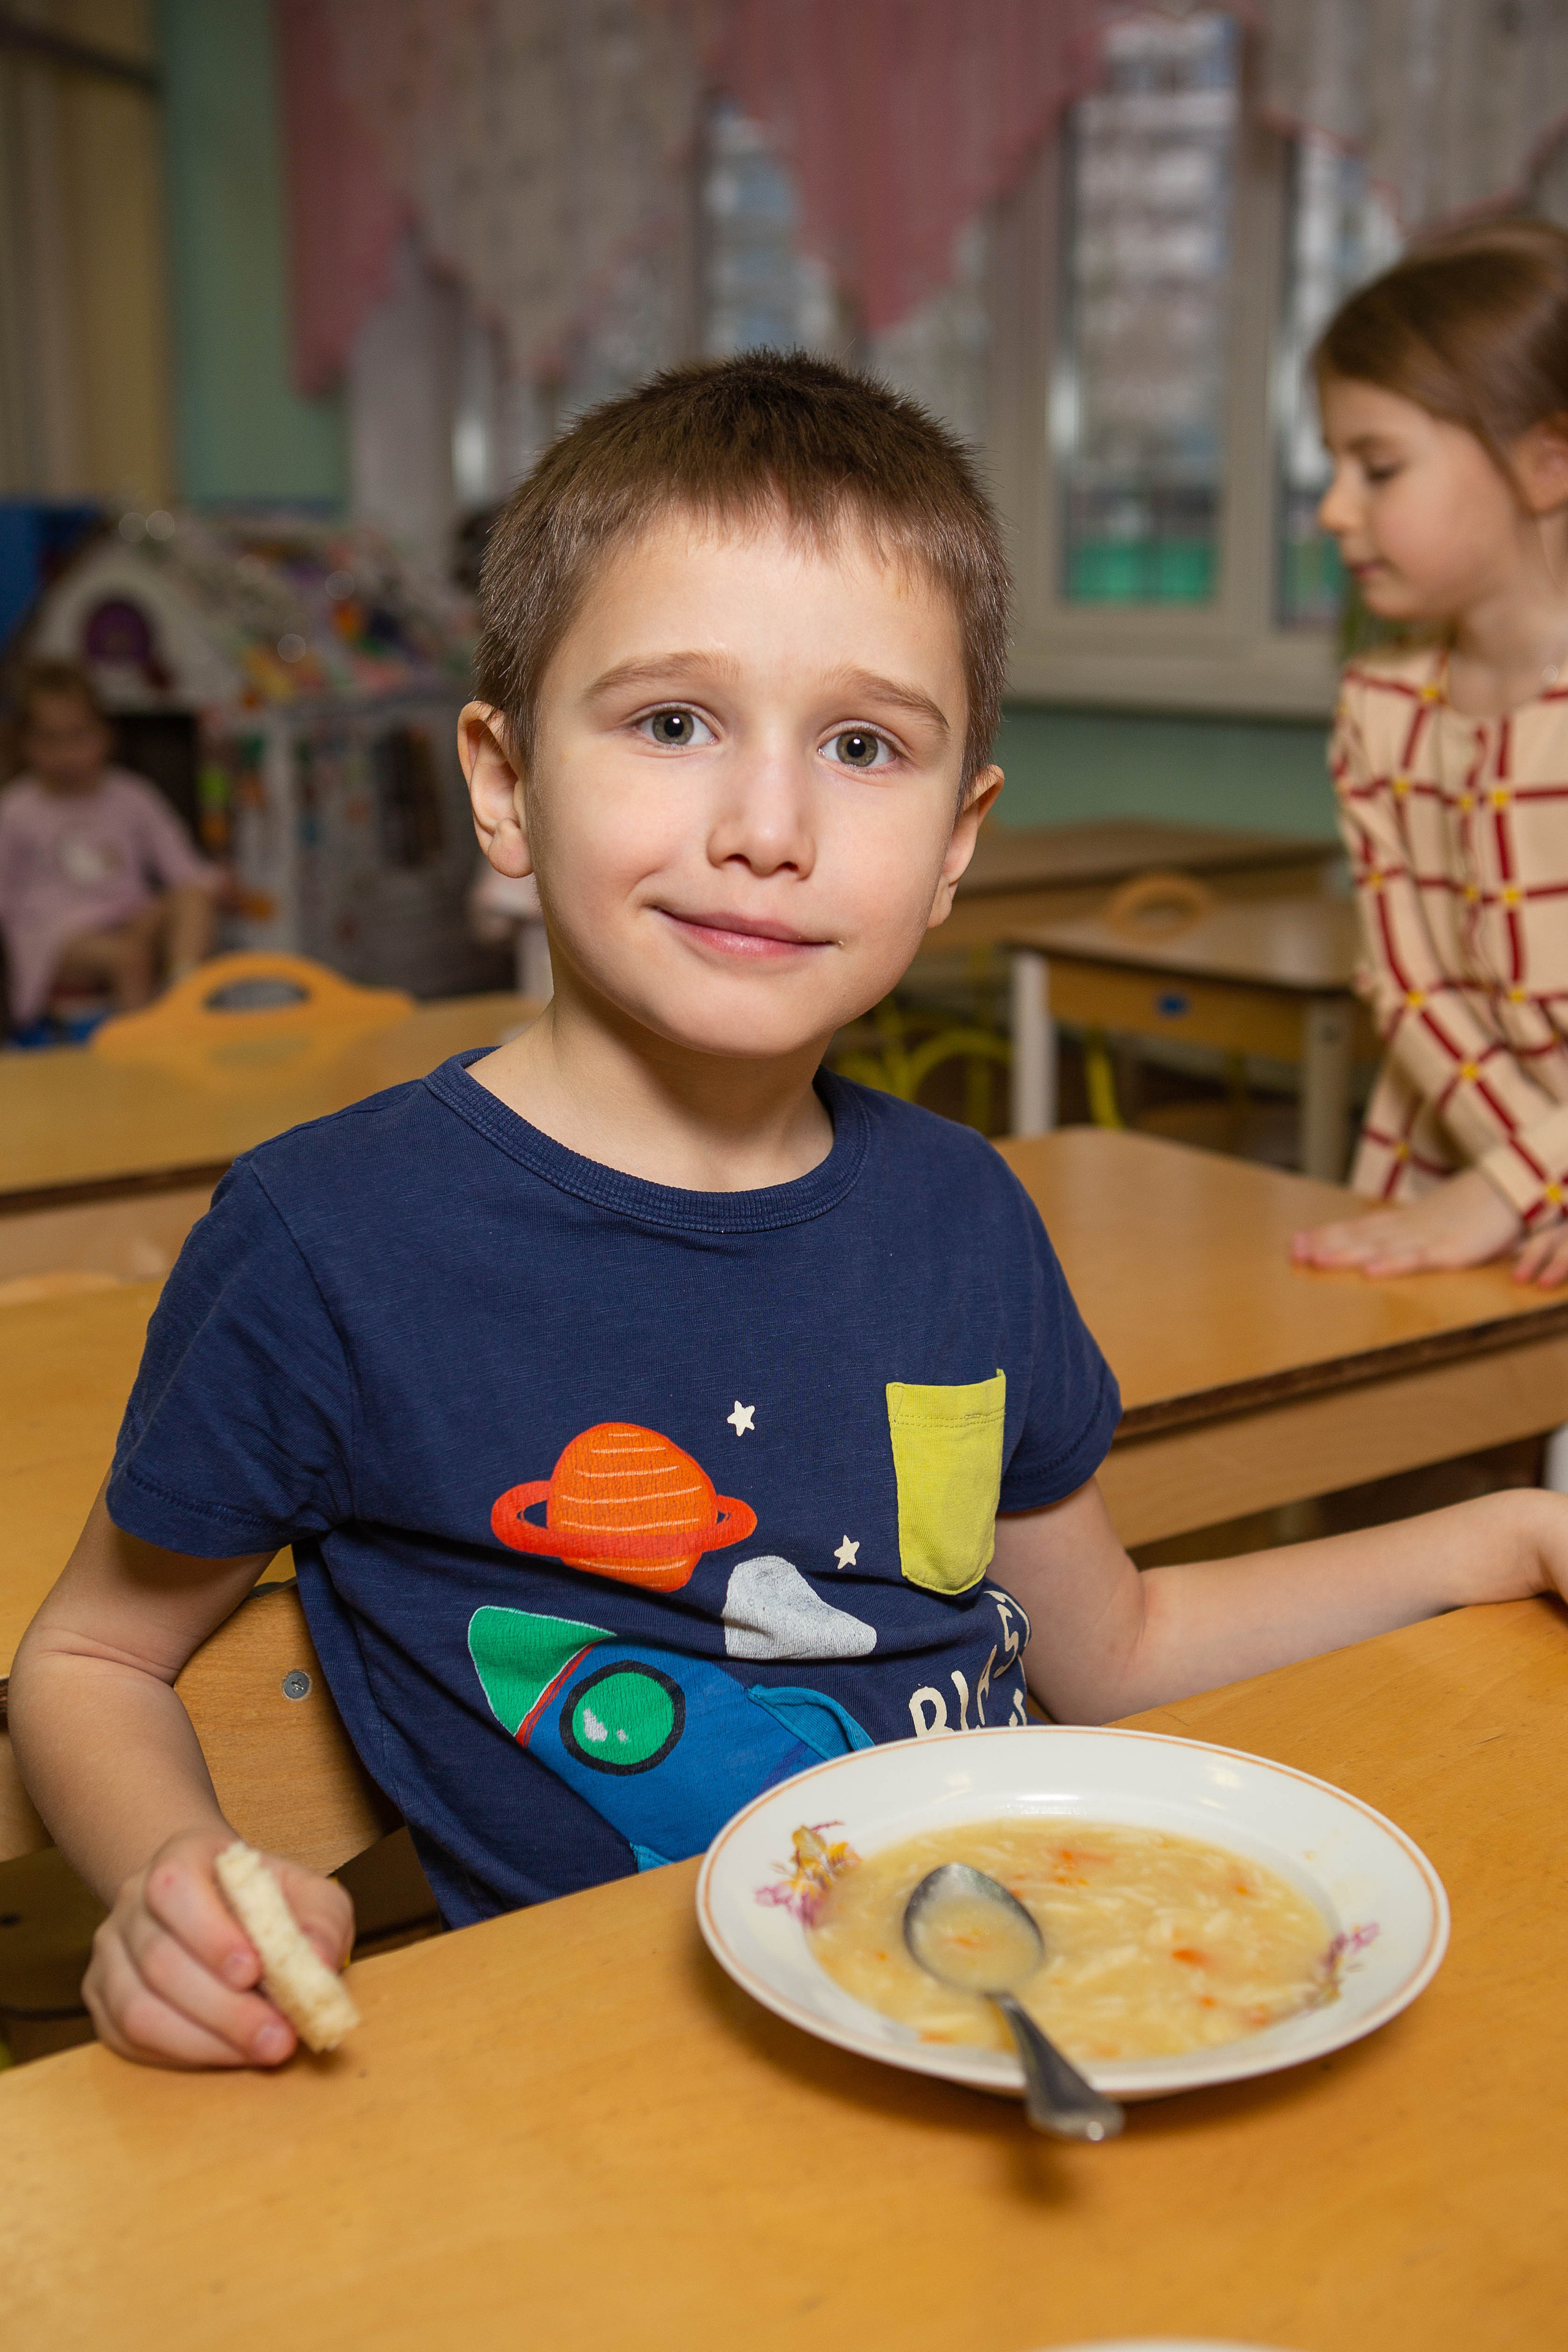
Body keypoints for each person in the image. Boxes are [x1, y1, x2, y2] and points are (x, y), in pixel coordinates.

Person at [12, 352, 1568, 2075]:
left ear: (960, 835)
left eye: (863, 744)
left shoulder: (966, 1218)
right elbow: (91, 1652)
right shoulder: (329, 1242)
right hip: (611, 2082)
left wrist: (1498, 1537)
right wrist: (175, 1870)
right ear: (508, 781)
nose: (769, 827)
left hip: (1002, 2012)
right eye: (672, 723)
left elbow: (1110, 1650)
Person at [1291, 219, 1568, 1285]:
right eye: (1334, 466)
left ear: (1547, 464)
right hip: (1447, 1172)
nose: (1333, 510)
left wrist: (1521, 1188)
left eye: (1379, 467)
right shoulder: (1380, 707)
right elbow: (1407, 981)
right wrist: (1516, 1180)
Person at [0, 660, 220, 1041]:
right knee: (128, 958)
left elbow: (183, 867)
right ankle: (142, 1054)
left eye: (78, 736)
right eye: (49, 740)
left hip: (129, 918)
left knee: (193, 900)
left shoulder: (132, 796)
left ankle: (185, 1002)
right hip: (57, 939)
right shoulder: (16, 809)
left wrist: (215, 884)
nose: (66, 754)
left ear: (105, 736)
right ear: (25, 744)